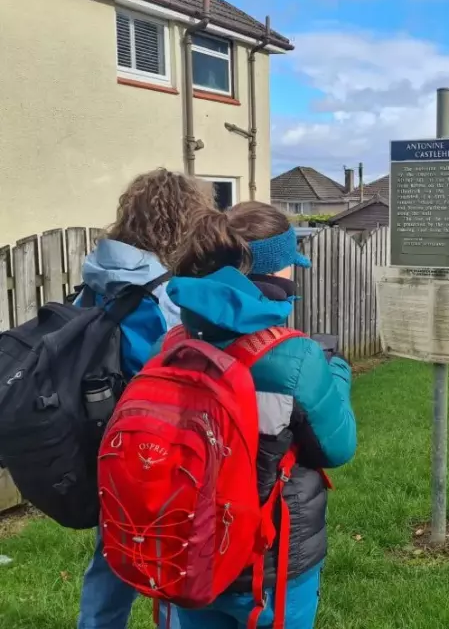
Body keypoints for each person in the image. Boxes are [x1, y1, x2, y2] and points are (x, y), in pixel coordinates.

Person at [162, 201, 357, 628]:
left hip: (187, 545)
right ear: (273, 274)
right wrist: (337, 373)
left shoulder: (173, 342)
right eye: (291, 265)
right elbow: (338, 446)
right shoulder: (297, 357)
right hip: (268, 558)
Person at [77, 168, 214, 629]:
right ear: (181, 222)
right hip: (156, 444)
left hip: (104, 442)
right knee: (173, 558)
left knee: (111, 550)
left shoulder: (97, 279)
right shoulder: (162, 292)